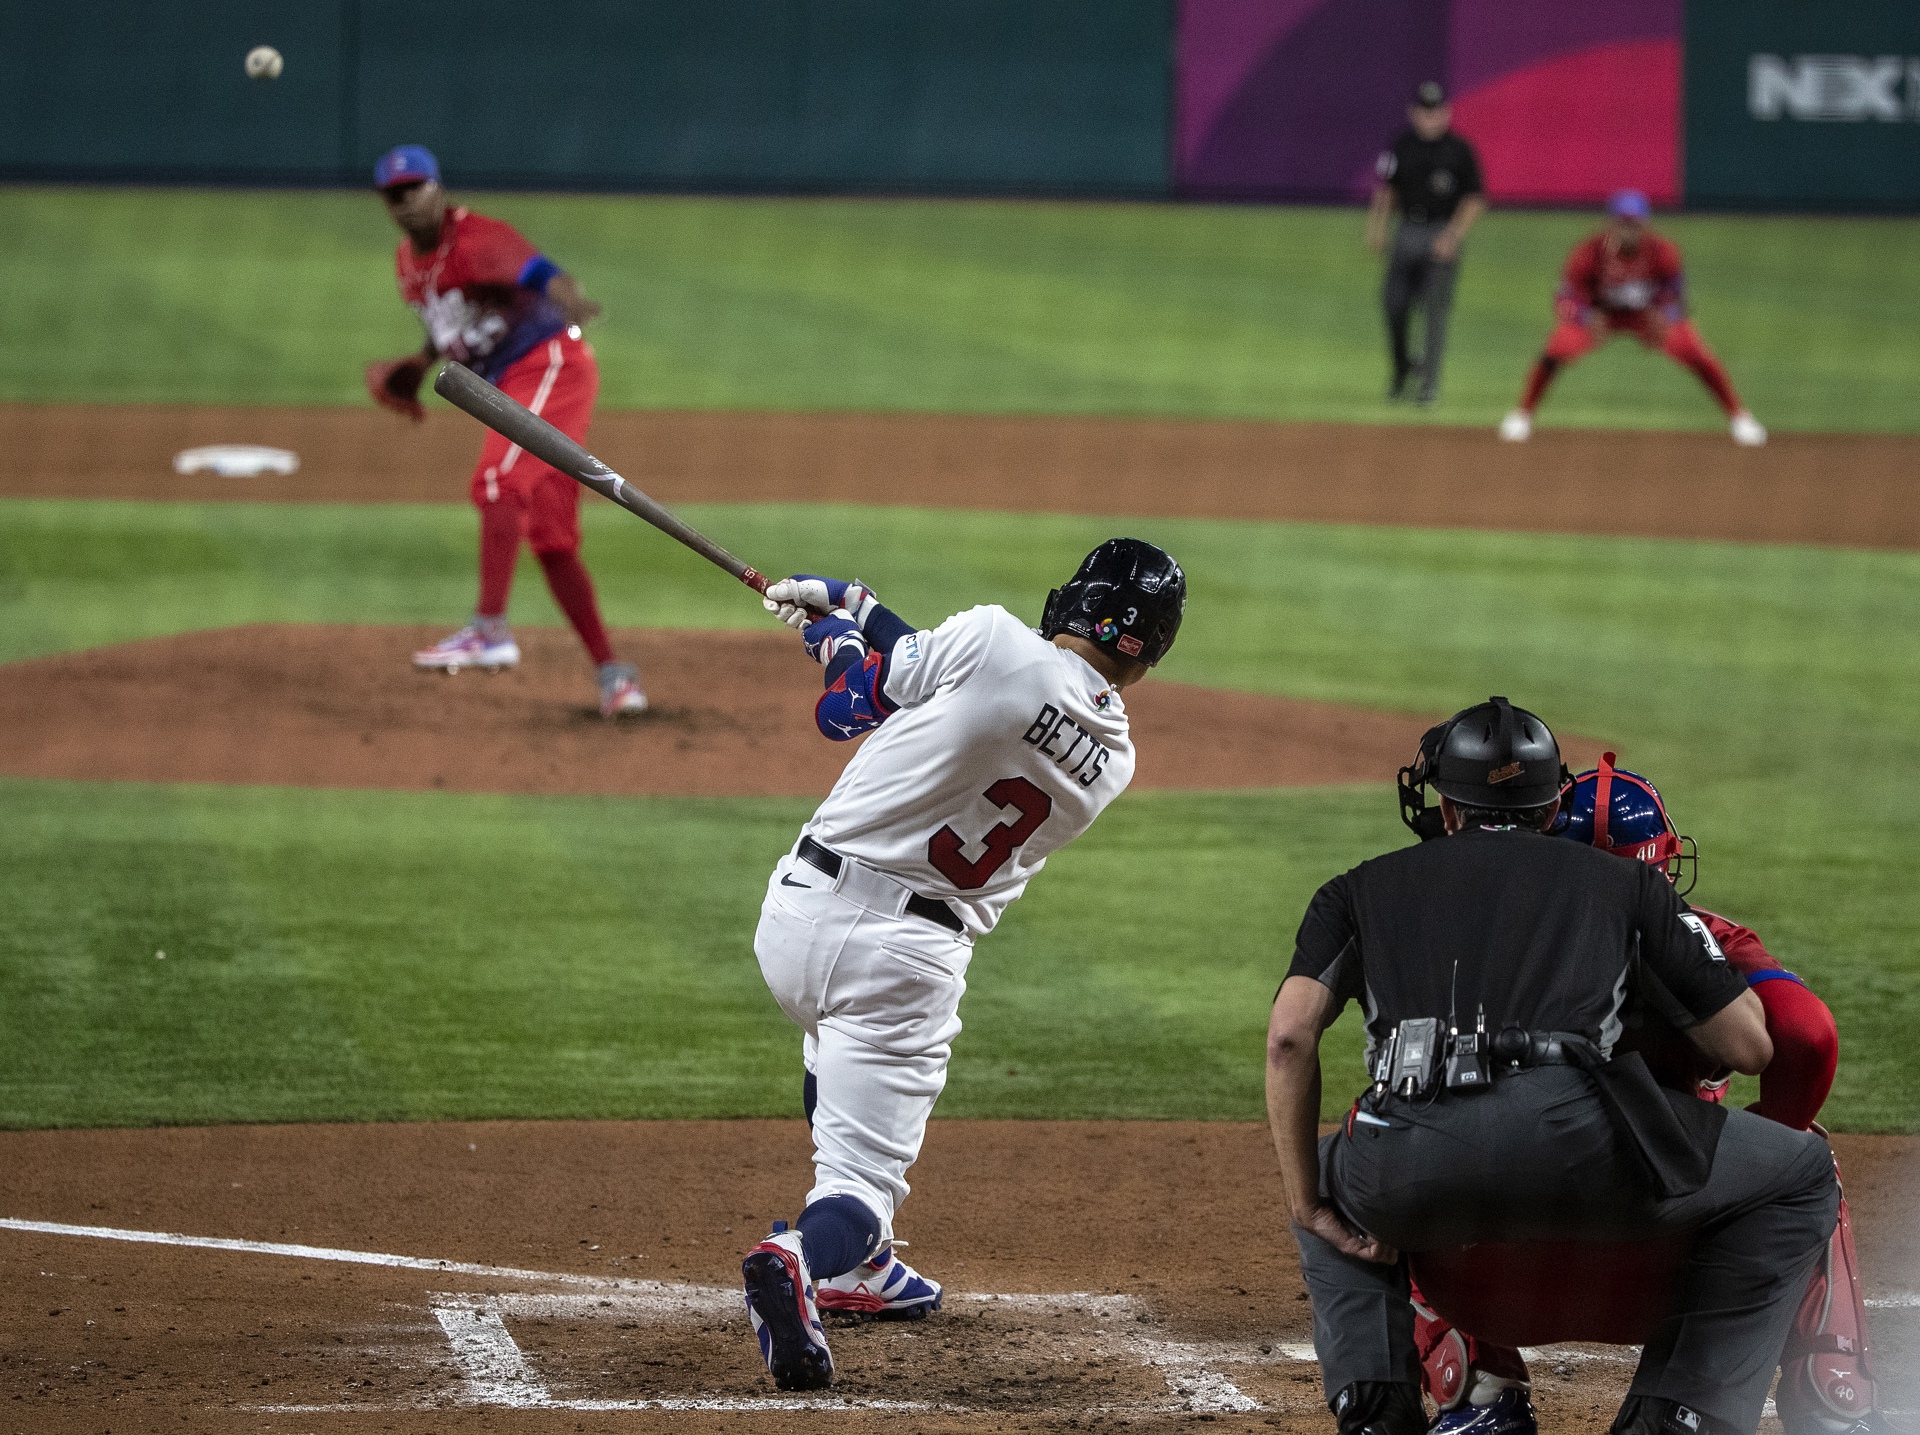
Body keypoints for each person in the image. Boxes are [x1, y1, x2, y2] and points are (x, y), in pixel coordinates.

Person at [1266, 697, 1839, 1435]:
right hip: (1580, 1146)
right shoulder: (1625, 886)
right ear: (1547, 807)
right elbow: (1754, 1048)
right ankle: (1681, 1412)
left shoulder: (1356, 887)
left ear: (1446, 807)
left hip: (1407, 1155)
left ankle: (1382, 1406)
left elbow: (1288, 1038)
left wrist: (1310, 1203)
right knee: (1800, 1175)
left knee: (1321, 1177)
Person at [736, 540, 1186, 1392]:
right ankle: (803, 1255)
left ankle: (856, 1270)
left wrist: (838, 643)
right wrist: (858, 604)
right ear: (1150, 650)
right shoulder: (1112, 760)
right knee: (862, 1183)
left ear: (1076, 598)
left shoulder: (990, 636)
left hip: (795, 918)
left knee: (828, 1042)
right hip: (903, 965)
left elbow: (847, 710)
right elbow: (988, 688)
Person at [1406, 755, 1882, 1435]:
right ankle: (1832, 1393)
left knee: (1397, 1131)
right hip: (1667, 1277)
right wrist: (1770, 1138)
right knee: (1803, 1161)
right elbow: (1809, 1038)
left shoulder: (1464, 936)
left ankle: (1481, 1390)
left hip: (1496, 1282)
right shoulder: (1712, 939)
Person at [363, 144, 645, 718]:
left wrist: (571, 299)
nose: (408, 201)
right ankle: (614, 674)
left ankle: (489, 628)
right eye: (396, 195)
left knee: (497, 484)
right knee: (551, 540)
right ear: (387, 205)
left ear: (437, 188)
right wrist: (417, 367)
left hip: (548, 367)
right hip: (513, 383)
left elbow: (543, 274)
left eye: (416, 188)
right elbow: (451, 327)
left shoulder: (477, 237)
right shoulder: (407, 264)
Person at [1499, 190, 1766, 447]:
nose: (1628, 229)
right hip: (1600, 317)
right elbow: (1565, 298)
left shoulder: (1663, 251)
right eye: (1622, 223)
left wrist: (1664, 316)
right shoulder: (1589, 252)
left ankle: (1739, 418)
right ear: (1611, 224)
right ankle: (1522, 415)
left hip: (1647, 317)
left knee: (1695, 352)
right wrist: (1585, 316)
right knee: (1555, 350)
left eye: (1634, 223)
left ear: (1645, 224)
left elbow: (1677, 296)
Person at [1367, 81, 1486, 405]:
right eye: (1424, 111)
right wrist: (1377, 228)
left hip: (1441, 233)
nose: (1430, 117)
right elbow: (1386, 190)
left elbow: (1474, 199)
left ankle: (1429, 386)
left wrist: (1453, 236)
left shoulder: (1460, 150)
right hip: (1407, 230)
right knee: (1394, 305)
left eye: (1436, 111)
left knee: (1435, 312)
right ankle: (1402, 368)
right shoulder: (1401, 146)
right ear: (1414, 113)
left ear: (1446, 112)